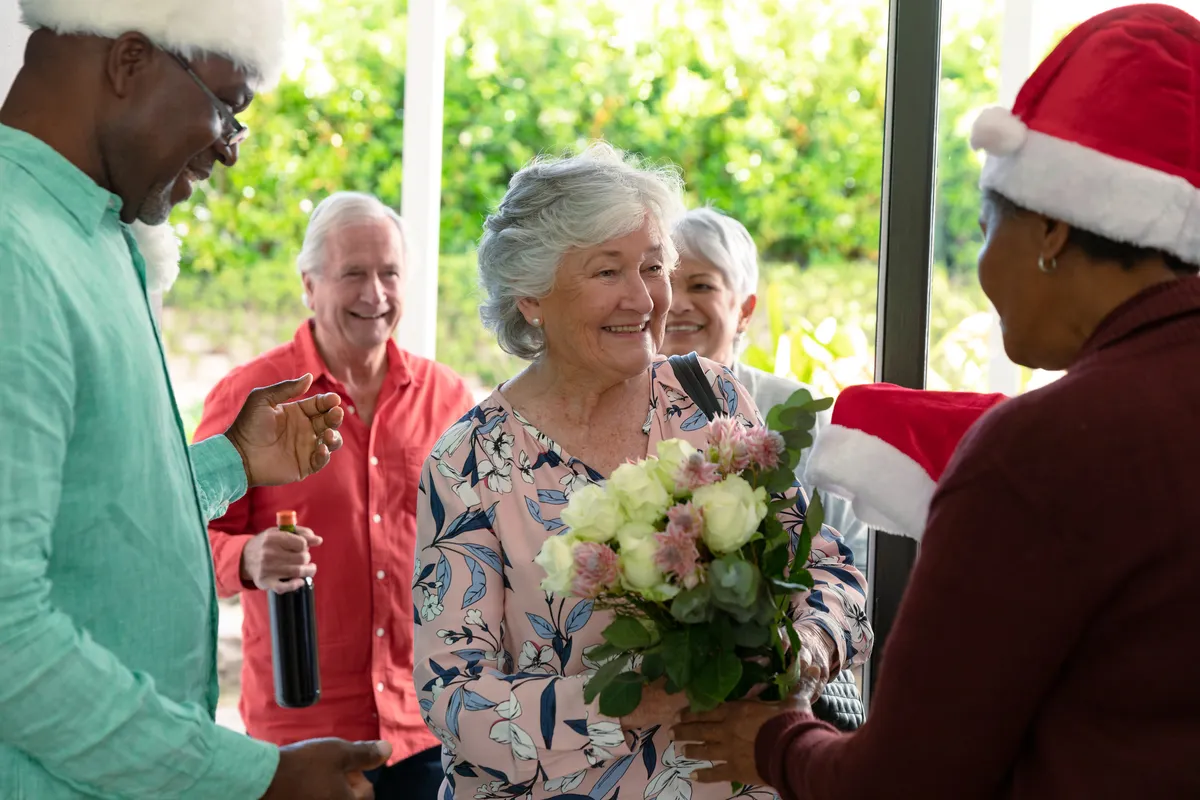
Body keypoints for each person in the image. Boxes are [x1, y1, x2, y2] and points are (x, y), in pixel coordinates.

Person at [674, 5, 1200, 796]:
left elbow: (908, 780)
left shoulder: (1047, 448)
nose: (983, 269)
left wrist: (776, 739)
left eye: (987, 224)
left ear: (1052, 229)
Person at [0, 3, 389, 797]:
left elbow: (98, 505)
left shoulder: (102, 237)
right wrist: (255, 778)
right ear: (130, 62)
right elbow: (8, 636)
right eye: (228, 107)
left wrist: (233, 462)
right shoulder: (13, 247)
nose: (229, 152)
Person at [411, 143, 873, 800]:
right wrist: (627, 702)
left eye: (653, 266)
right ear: (531, 296)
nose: (645, 297)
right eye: (608, 272)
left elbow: (828, 570)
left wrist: (805, 651)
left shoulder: (709, 398)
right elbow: (453, 698)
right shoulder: (469, 460)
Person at [197, 191, 476, 799]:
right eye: (354, 273)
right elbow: (186, 538)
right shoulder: (252, 399)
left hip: (428, 725)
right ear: (309, 285)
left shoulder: (448, 399)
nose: (375, 294)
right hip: (302, 733)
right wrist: (246, 557)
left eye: (390, 273)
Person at [662, 207, 868, 570]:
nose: (676, 304)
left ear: (745, 310)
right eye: (663, 282)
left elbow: (859, 552)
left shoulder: (804, 413)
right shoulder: (615, 410)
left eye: (701, 285)